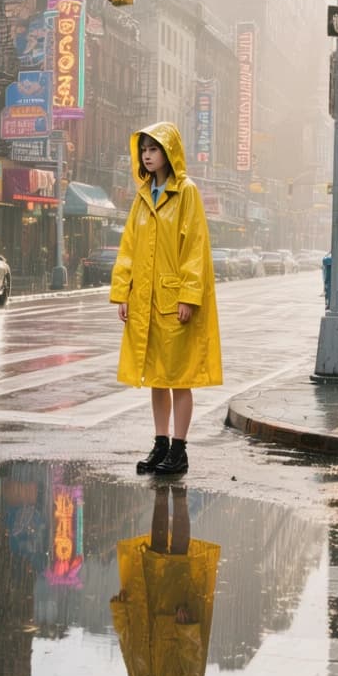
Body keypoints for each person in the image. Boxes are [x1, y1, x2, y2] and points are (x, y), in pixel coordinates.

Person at [110, 122, 223, 476]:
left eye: (153, 148)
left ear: (169, 152)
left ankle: (180, 449)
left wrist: (189, 297)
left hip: (175, 303)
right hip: (145, 302)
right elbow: (128, 247)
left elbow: (195, 248)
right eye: (143, 149)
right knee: (156, 377)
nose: (147, 154)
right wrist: (123, 293)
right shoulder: (143, 196)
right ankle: (160, 445)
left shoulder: (186, 192)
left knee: (180, 377)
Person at [110, 483, 220, 676]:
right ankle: (180, 496)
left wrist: (121, 612)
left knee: (156, 549)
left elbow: (128, 645)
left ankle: (162, 493)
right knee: (179, 552)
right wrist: (186, 630)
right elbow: (193, 661)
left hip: (147, 608)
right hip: (176, 619)